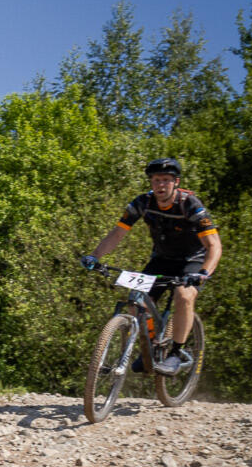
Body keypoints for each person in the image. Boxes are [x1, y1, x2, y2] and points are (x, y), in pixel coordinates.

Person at [81, 158, 222, 375]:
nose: (160, 185)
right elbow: (117, 234)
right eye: (156, 180)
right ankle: (151, 348)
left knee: (184, 296)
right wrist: (94, 256)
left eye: (166, 180)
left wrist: (204, 272)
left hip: (192, 260)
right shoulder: (142, 203)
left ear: (176, 182)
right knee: (136, 302)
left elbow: (214, 245)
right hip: (162, 259)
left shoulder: (190, 204)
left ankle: (175, 353)